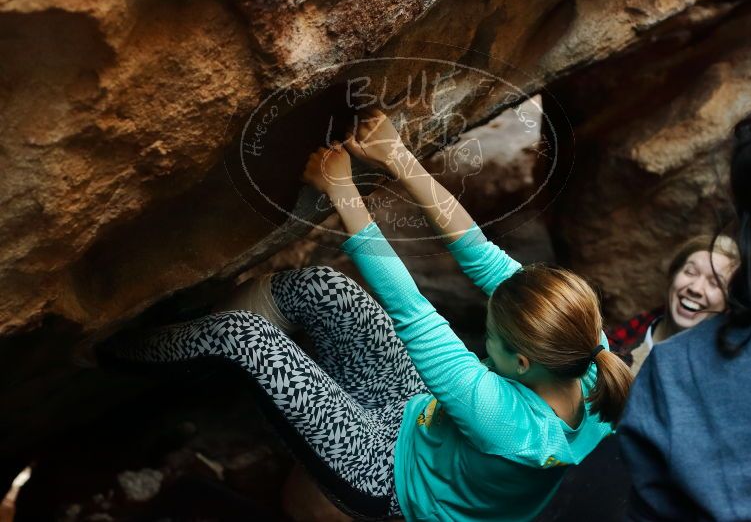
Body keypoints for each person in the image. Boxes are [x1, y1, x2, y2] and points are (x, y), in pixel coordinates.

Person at [100, 108, 632, 521]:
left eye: (489, 336)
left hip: (386, 474)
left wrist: (344, 193)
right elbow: (481, 253)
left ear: (521, 363)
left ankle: (109, 353)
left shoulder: (503, 419)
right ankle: (190, 344)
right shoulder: (584, 349)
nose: (483, 338)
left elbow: (412, 311)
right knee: (323, 288)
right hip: (424, 421)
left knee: (247, 337)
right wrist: (398, 157)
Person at [617, 97, 751, 520]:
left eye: (714, 280)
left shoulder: (677, 373)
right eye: (690, 271)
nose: (697, 288)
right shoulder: (630, 344)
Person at [610, 234, 739, 375]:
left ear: (730, 302)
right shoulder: (627, 335)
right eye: (690, 272)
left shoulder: (725, 371)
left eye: (715, 283)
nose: (695, 288)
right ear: (673, 275)